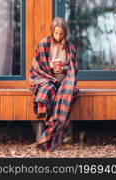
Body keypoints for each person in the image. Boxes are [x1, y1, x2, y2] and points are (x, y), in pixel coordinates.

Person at [29, 17, 79, 151]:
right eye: (56, 33)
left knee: (68, 92)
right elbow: (36, 66)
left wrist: (63, 68)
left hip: (64, 80)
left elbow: (74, 69)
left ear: (65, 33)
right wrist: (50, 68)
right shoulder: (44, 44)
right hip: (47, 77)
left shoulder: (70, 47)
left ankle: (54, 129)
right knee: (47, 90)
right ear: (52, 31)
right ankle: (47, 123)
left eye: (61, 34)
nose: (58, 36)